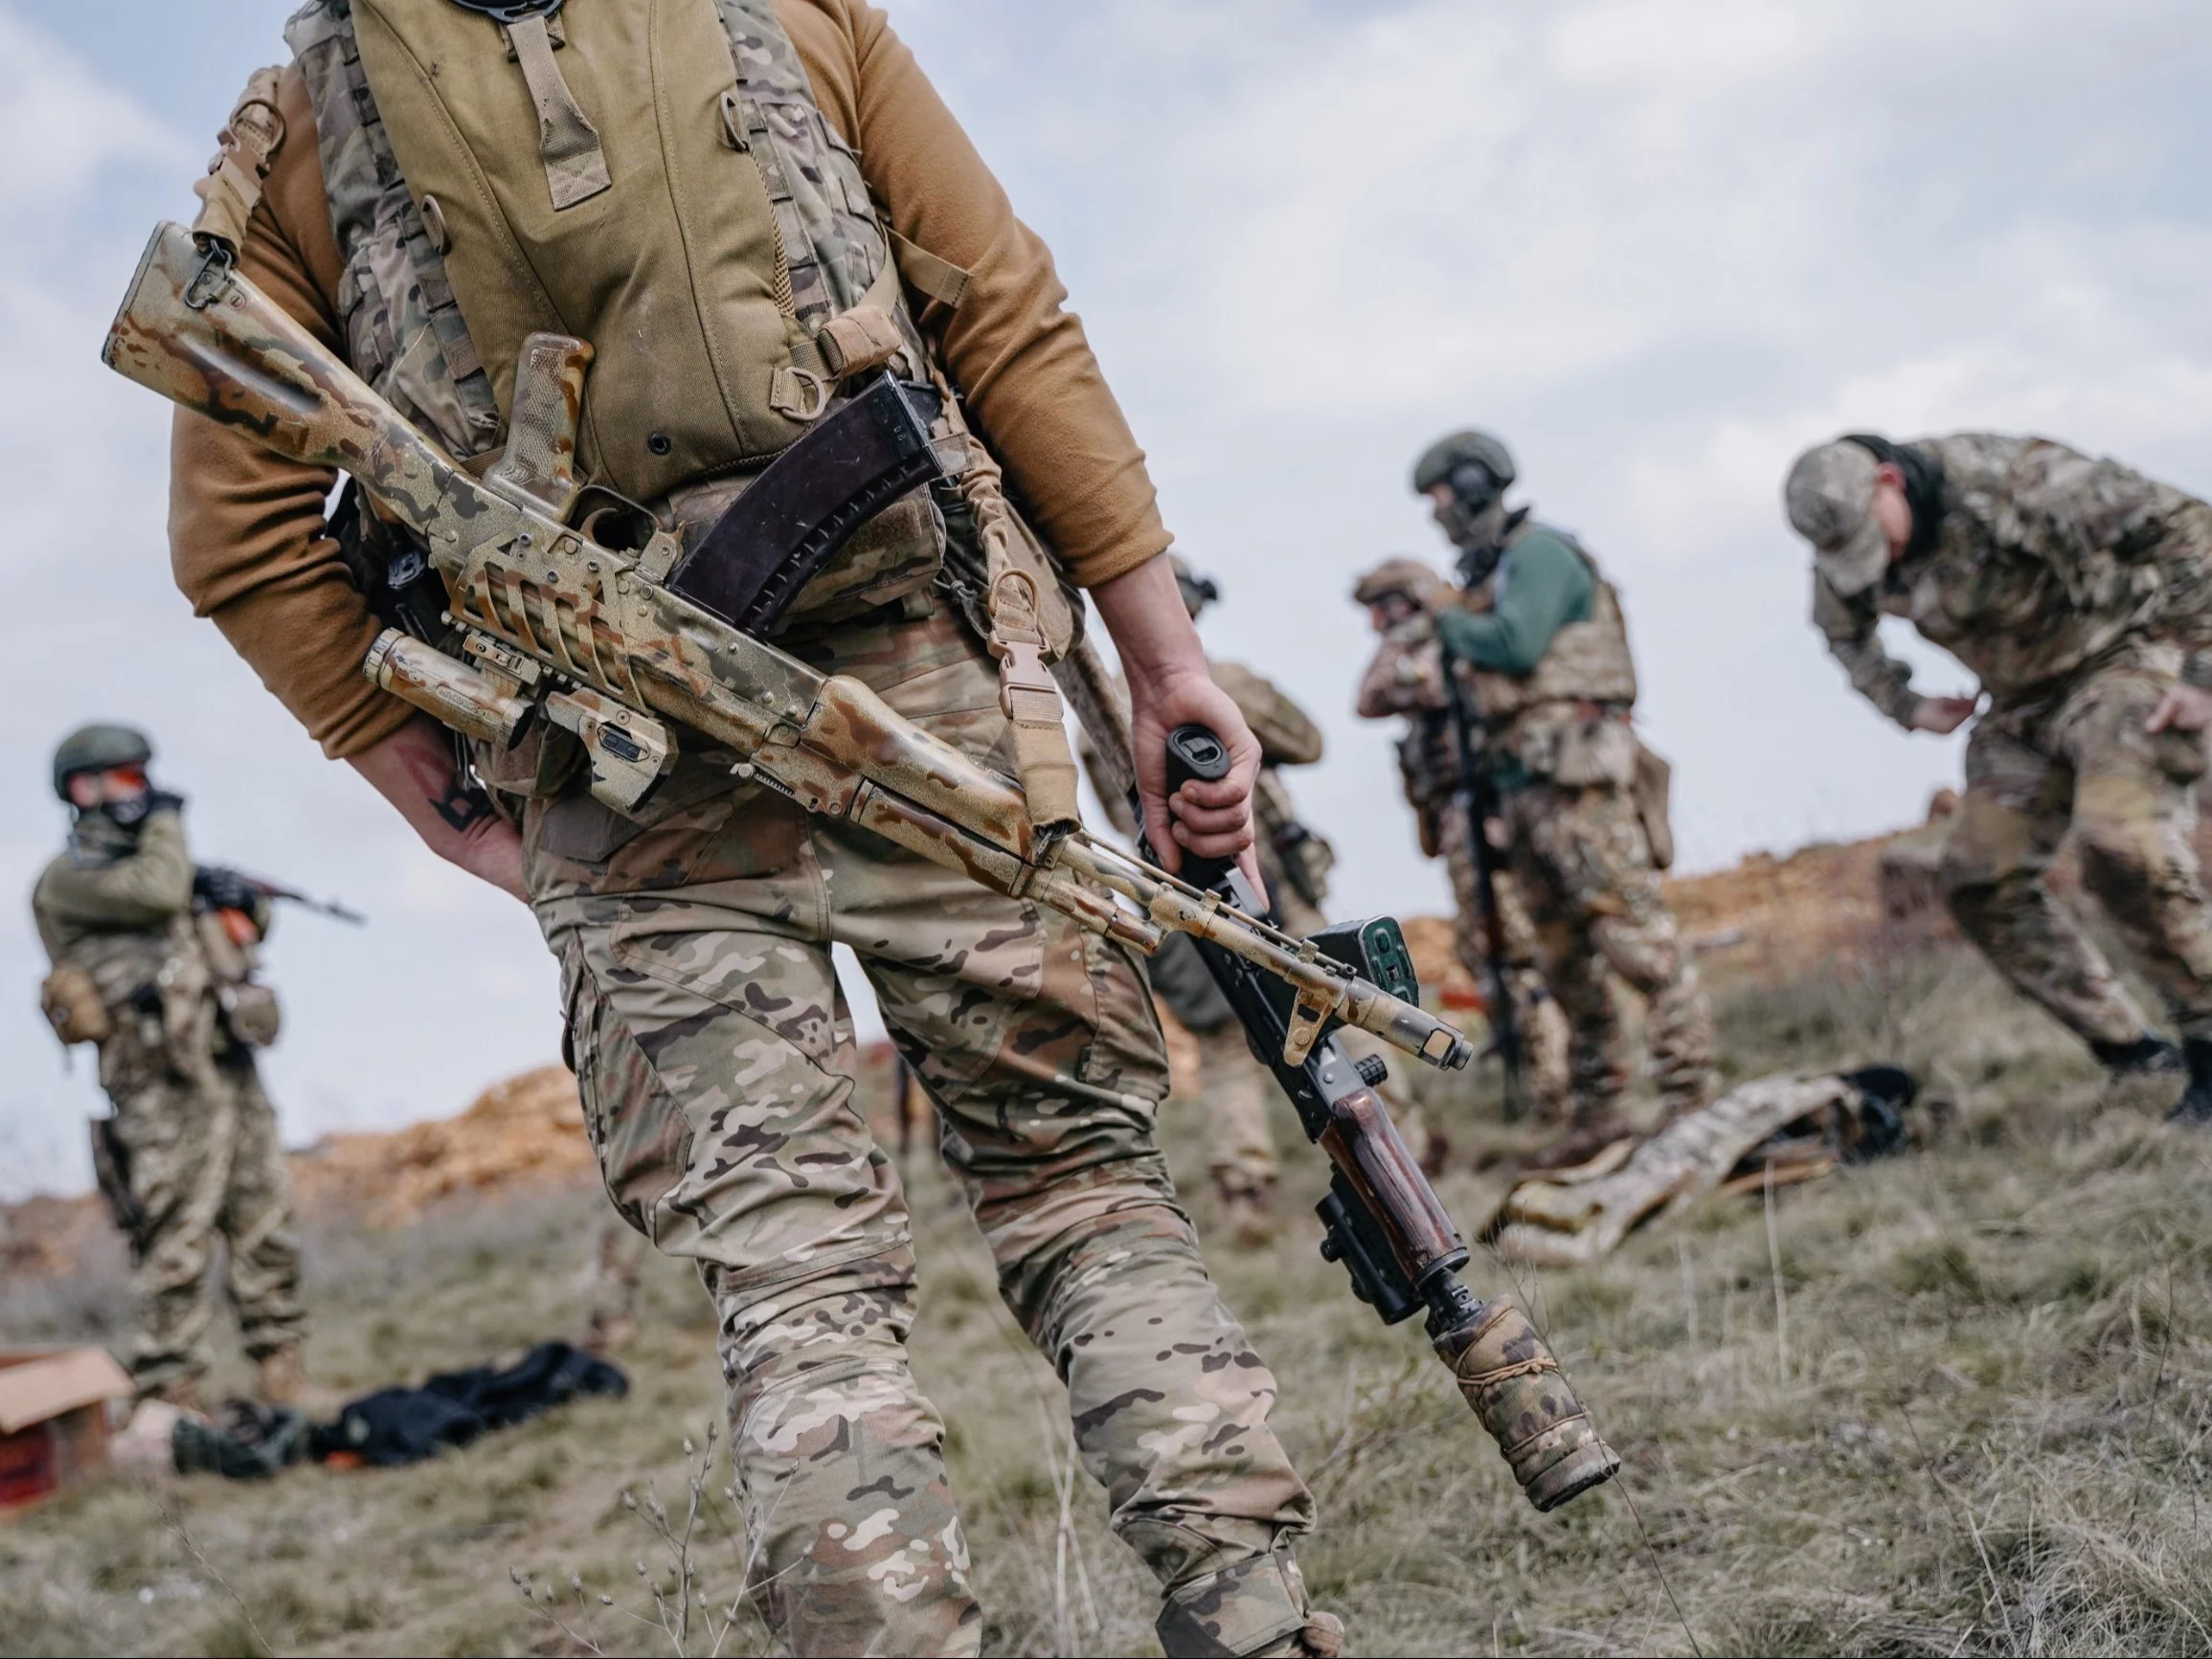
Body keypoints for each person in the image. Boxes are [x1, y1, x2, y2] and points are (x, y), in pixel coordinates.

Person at [166, 9, 1333, 1654]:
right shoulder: (798, 12)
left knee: (794, 1276)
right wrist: (1162, 658)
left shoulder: (305, 119)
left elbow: (238, 530)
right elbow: (1002, 314)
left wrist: (437, 790)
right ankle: (1257, 1612)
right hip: (923, 691)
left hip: (608, 778)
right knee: (1077, 1183)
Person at [1785, 431, 2212, 1121]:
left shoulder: (2011, 482)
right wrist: (1904, 702)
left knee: (2122, 846)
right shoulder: (1845, 548)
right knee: (1980, 879)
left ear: (1890, 481)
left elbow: (2188, 527)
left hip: (2119, 660)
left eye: (1875, 536)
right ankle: (2133, 1053)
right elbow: (1842, 633)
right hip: (2020, 706)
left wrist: (2203, 671)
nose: (1877, 560)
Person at [1413, 431, 1716, 1156]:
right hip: (1522, 794)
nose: (1438, 513)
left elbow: (1516, 644)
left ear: (1476, 484)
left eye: (1443, 496)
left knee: (1635, 940)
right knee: (1561, 961)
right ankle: (1599, 1113)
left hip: (1576, 788)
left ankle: (1690, 1096)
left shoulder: (1541, 555)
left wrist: (1444, 615)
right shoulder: (1495, 572)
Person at [32, 725, 314, 1412]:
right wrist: (167, 827)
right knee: (175, 1237)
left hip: (224, 1062)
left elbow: (226, 933)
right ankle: (170, 1401)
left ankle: (283, 1384)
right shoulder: (70, 878)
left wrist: (240, 905)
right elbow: (157, 891)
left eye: (143, 779)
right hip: (155, 1082)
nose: (143, 794)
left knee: (264, 1221)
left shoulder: (160, 866)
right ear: (81, 789)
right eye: (125, 780)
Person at [1086, 558, 1337, 1243]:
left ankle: (1245, 1192)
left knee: (1226, 1050)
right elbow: (1308, 739)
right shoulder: (1222, 685)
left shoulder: (1100, 705)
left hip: (1176, 894)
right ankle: (1393, 1152)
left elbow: (1120, 807)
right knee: (1334, 1014)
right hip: (1267, 886)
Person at [1352, 556, 1576, 1122]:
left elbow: (1397, 689)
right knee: (1485, 947)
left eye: (1385, 608)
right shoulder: (1428, 641)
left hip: (1487, 811)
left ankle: (1556, 1083)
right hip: (1458, 814)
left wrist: (1419, 629)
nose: (1377, 624)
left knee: (1517, 947)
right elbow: (1371, 698)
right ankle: (1534, 1076)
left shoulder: (1451, 641)